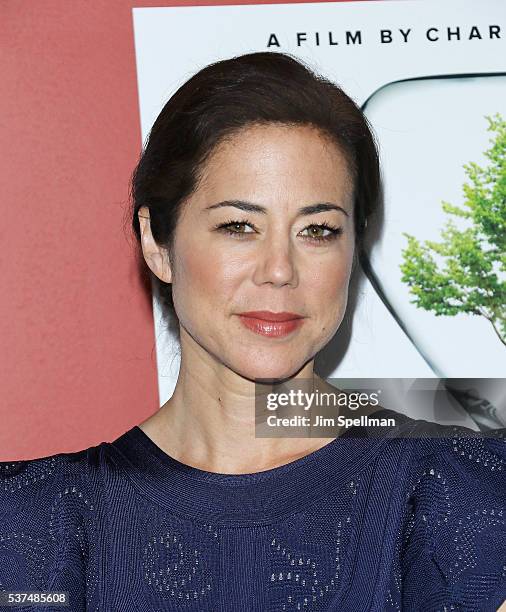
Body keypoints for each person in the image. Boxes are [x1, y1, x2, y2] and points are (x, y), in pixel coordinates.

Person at [1, 51, 505, 612]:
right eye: (239, 226)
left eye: (317, 230)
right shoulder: (31, 522)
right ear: (157, 243)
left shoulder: (467, 491)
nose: (280, 270)